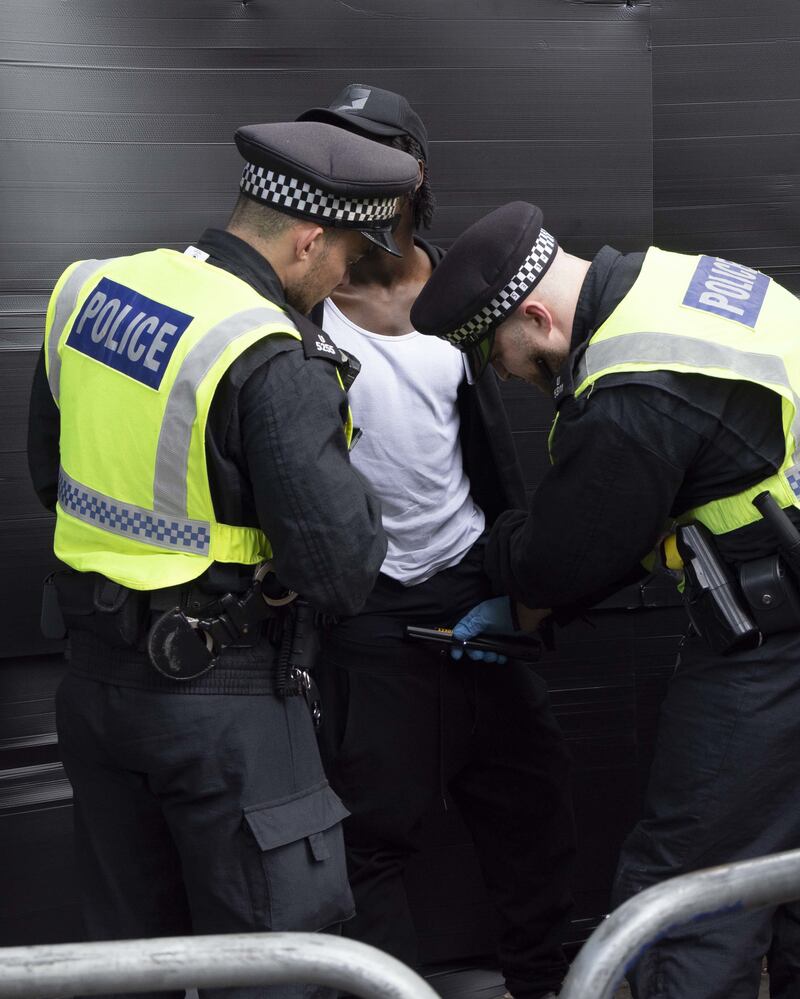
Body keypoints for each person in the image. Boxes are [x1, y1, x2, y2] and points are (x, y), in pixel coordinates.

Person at [27, 120, 420, 999]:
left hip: (95, 690)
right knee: (274, 966)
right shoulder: (269, 352)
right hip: (226, 703)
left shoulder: (92, 290)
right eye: (351, 252)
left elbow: (49, 474)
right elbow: (341, 568)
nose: (350, 273)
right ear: (310, 238)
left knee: (131, 966)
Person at [410, 200, 800, 999]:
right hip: (781, 591)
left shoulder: (632, 386)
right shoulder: (685, 283)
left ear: (534, 315)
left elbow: (561, 559)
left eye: (501, 355)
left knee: (683, 891)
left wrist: (503, 549)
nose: (510, 376)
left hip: (776, 645)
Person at [296, 86, 575, 999]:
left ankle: (548, 983)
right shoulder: (296, 304)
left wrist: (515, 573)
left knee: (528, 810)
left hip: (473, 588)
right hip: (366, 609)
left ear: (413, 173)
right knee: (370, 837)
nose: (342, 178)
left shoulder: (465, 285)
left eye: (367, 157)